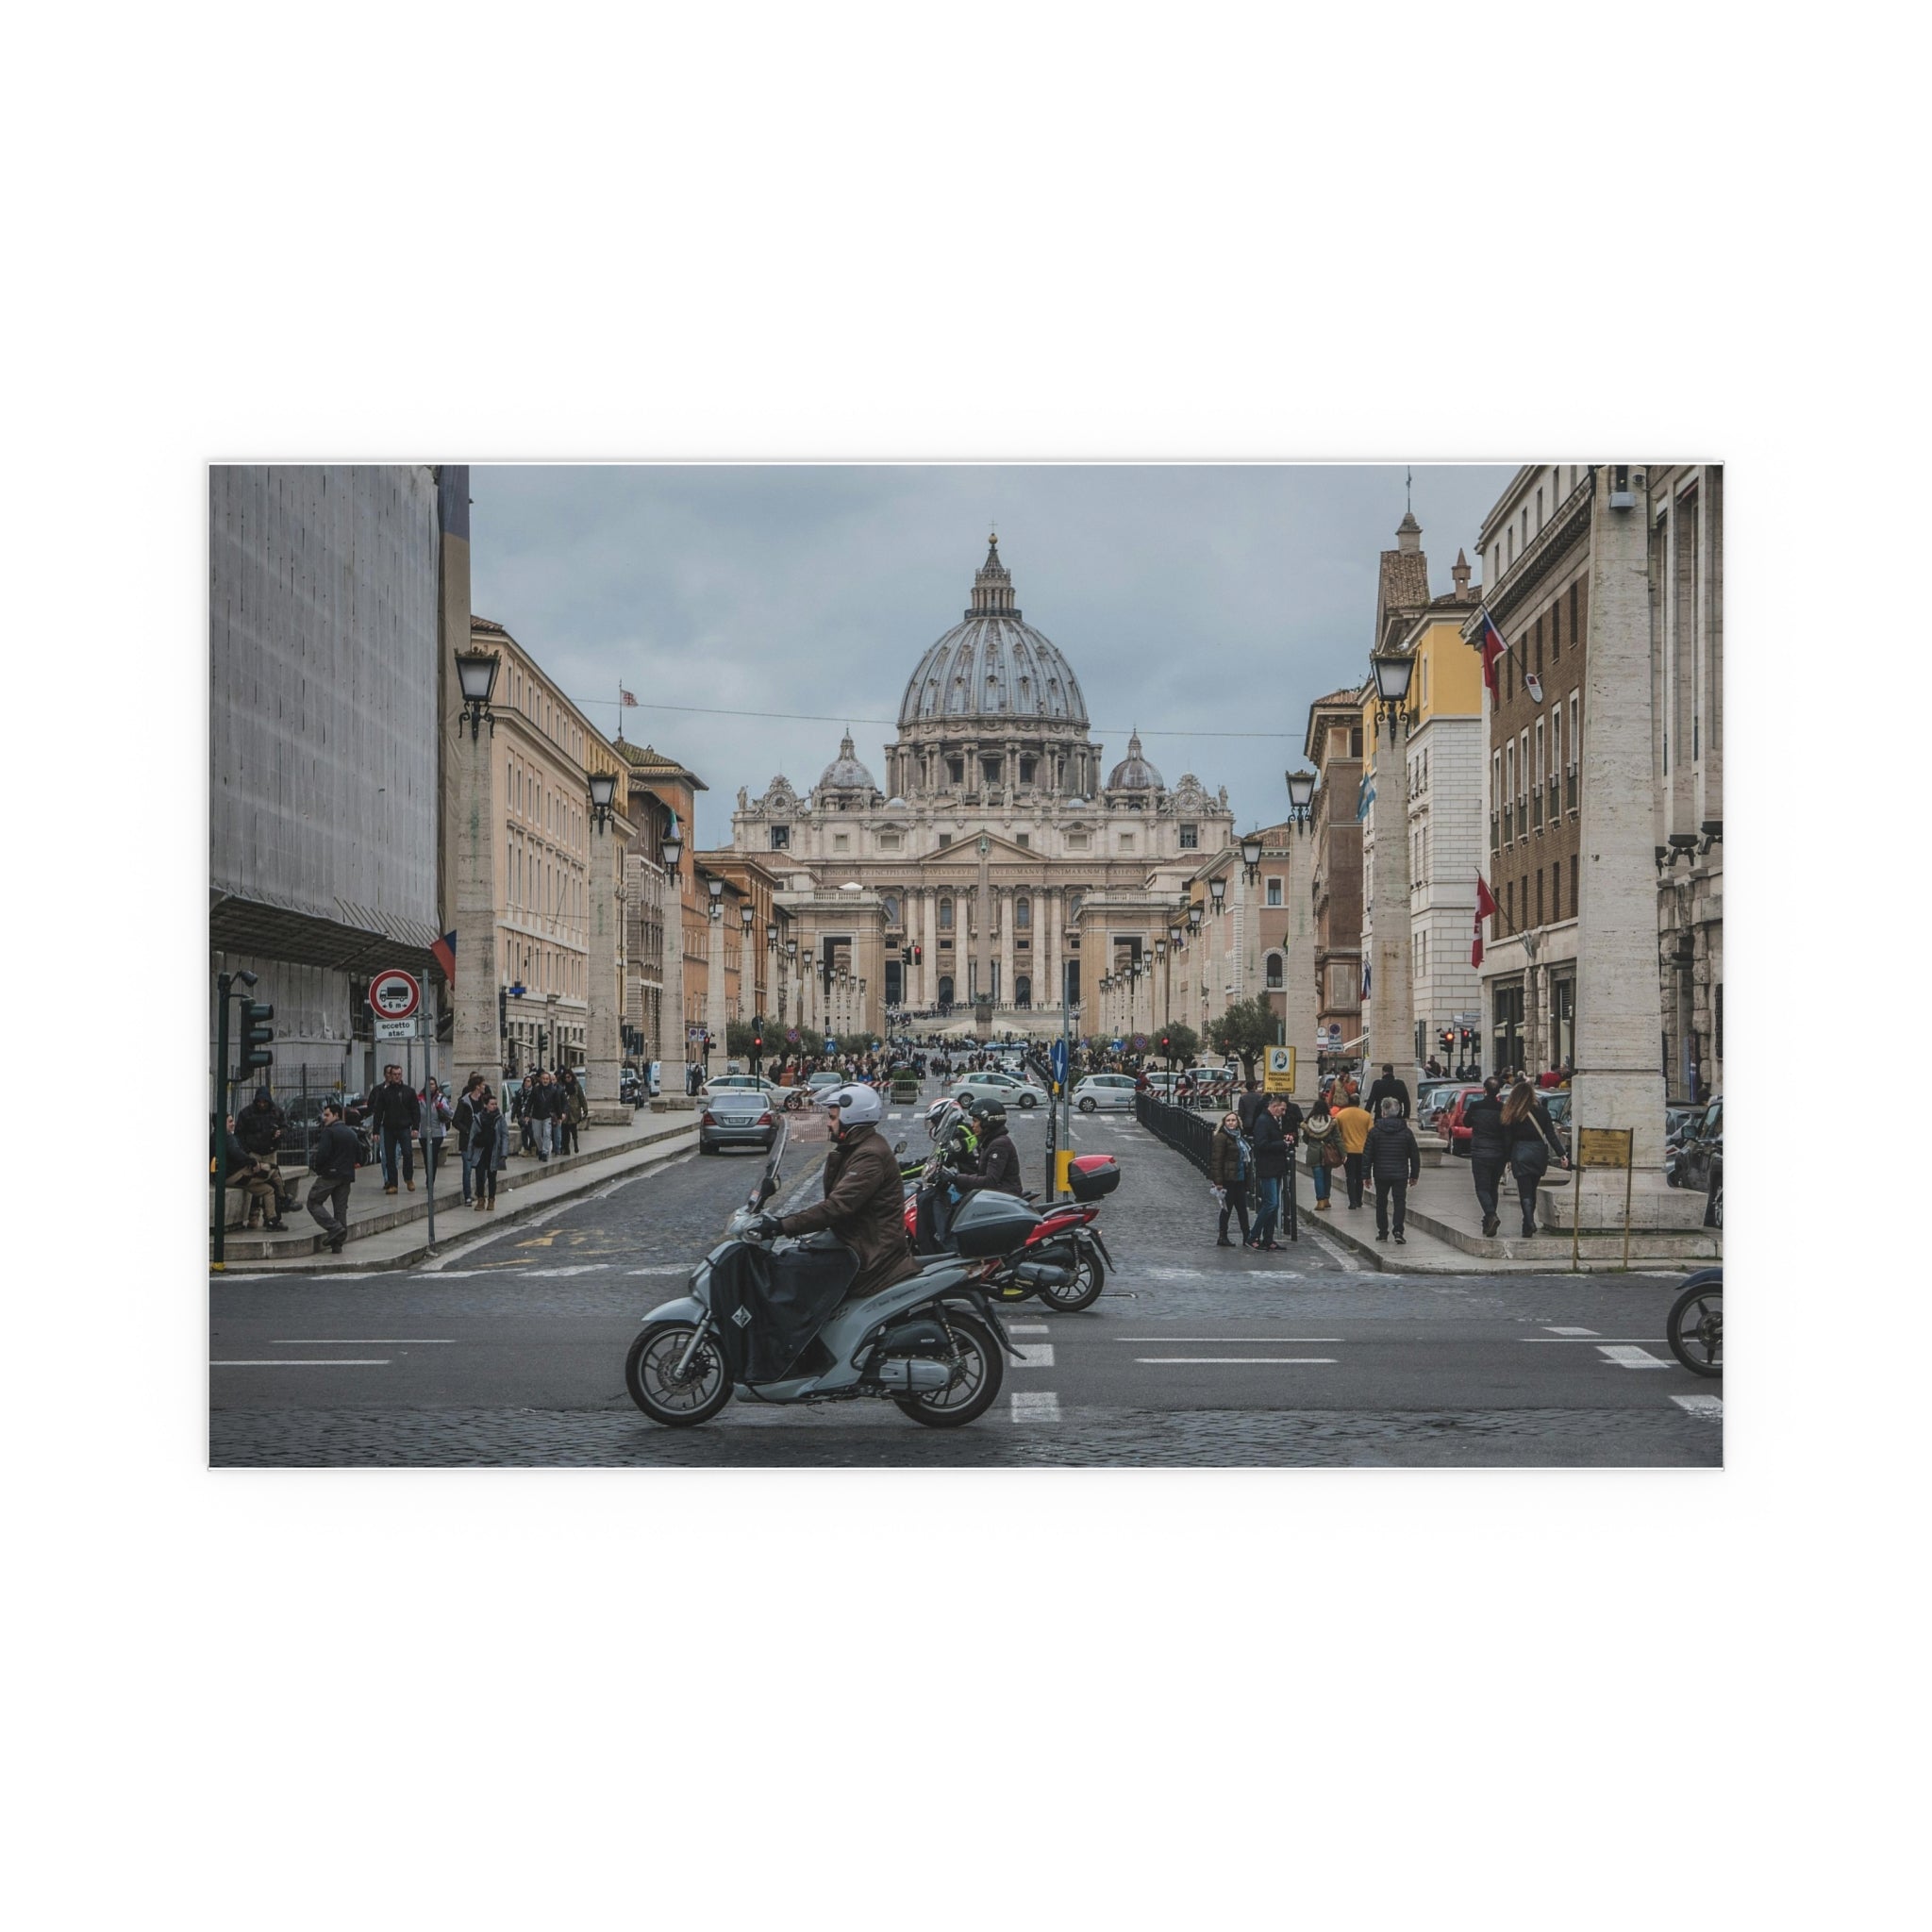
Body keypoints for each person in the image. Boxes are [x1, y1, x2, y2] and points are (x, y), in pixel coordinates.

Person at [756, 1084, 921, 1304]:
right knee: (797, 1260)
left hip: (870, 1255)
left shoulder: (869, 1155)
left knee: (793, 1272)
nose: (828, 1123)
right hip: (857, 1241)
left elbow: (837, 1207)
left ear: (851, 1118)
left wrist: (782, 1225)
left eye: (833, 1118)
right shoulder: (858, 1148)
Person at [1501, 1076, 1568, 1237]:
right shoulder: (1542, 1112)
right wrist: (1562, 1154)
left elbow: (1507, 1139)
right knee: (1532, 1189)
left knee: (1524, 1191)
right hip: (1538, 1152)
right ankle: (1527, 1223)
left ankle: (1529, 1221)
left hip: (1520, 1152)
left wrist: (1507, 1158)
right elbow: (1551, 1136)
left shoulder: (1512, 1113)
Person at [305, 1101, 362, 1252]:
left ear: (336, 1115)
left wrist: (319, 1169)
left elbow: (322, 1154)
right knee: (340, 1209)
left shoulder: (329, 1132)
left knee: (313, 1202)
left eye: (327, 1115)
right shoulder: (351, 1133)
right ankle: (337, 1244)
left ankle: (334, 1228)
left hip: (330, 1175)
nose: (324, 1118)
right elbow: (360, 1156)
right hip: (346, 1176)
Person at [1368, 1096, 1422, 1243]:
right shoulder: (1406, 1132)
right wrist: (1414, 1174)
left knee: (1381, 1202)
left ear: (1383, 1111)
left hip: (1381, 1173)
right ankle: (1398, 1230)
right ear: (1398, 1112)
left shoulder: (1375, 1131)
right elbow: (1414, 1155)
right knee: (1399, 1202)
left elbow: (1368, 1154)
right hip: (1400, 1173)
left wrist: (1365, 1174)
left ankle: (1383, 1232)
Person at [1462, 1075, 1510, 1237]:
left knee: (1482, 1188)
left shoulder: (1475, 1106)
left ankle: (1491, 1215)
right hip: (1499, 1153)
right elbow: (1507, 1132)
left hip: (1481, 1152)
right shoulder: (1503, 1108)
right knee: (1493, 1187)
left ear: (1484, 1090)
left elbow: (1466, 1123)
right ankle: (1489, 1221)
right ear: (1498, 1092)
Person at [218, 1113, 285, 1229]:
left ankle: (272, 1219)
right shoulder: (228, 1138)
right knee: (272, 1170)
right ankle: (284, 1199)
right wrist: (253, 1162)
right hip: (235, 1176)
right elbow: (237, 1153)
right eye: (230, 1121)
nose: (233, 1124)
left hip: (233, 1176)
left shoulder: (219, 1137)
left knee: (268, 1189)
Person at [1247, 1094, 1292, 1251]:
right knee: (1271, 1203)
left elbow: (1271, 1139)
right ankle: (1253, 1236)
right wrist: (1282, 1144)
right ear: (1274, 1106)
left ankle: (1268, 1238)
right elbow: (1261, 1144)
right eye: (1282, 1109)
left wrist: (1283, 1140)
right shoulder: (1263, 1121)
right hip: (1267, 1167)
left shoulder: (1271, 1120)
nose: (1284, 1113)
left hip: (1275, 1167)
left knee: (1274, 1205)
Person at [367, 1062, 421, 1194]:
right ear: (390, 1075)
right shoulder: (384, 1093)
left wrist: (415, 1127)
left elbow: (415, 1110)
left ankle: (408, 1178)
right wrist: (375, 1131)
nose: (397, 1076)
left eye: (399, 1074)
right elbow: (378, 1112)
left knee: (407, 1153)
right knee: (390, 1157)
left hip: (404, 1128)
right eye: (394, 1074)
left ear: (401, 1075)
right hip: (389, 1129)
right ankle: (393, 1183)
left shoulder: (409, 1091)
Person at [947, 1102, 1022, 1196]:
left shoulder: (999, 1144)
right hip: (996, 1193)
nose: (972, 1125)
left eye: (975, 1121)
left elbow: (990, 1181)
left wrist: (956, 1179)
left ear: (987, 1122)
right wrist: (956, 1178)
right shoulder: (989, 1141)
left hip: (1004, 1195)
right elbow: (982, 1175)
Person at [1208, 1109, 1254, 1246]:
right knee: (1226, 1209)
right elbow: (1216, 1160)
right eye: (1228, 1120)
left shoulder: (1239, 1137)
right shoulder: (1221, 1137)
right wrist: (1218, 1181)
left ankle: (1247, 1236)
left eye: (1233, 1120)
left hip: (1239, 1178)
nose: (1231, 1123)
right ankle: (1222, 1236)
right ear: (1224, 1123)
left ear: (1238, 1122)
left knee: (1242, 1209)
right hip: (1228, 1179)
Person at [470, 1086, 508, 1210]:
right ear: (486, 1105)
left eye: (496, 1104)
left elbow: (505, 1136)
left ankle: (491, 1199)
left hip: (494, 1151)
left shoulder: (500, 1118)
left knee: (492, 1177)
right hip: (481, 1150)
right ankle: (481, 1199)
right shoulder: (478, 1118)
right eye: (492, 1104)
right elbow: (472, 1136)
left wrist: (504, 1153)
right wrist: (470, 1154)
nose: (494, 1106)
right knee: (479, 1176)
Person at [1300, 1098, 1341, 1212]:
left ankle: (1320, 1201)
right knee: (1327, 1176)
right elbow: (1337, 1138)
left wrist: (1312, 1143)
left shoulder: (1309, 1122)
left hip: (1314, 1152)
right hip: (1328, 1152)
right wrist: (1342, 1153)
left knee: (1318, 1177)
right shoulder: (1331, 1121)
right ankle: (1327, 1199)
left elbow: (1305, 1138)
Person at [1334, 1092, 1374, 1208]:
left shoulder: (1341, 1115)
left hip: (1347, 1150)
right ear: (1359, 1103)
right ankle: (1359, 1200)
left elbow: (1336, 1133)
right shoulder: (1366, 1116)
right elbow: (1371, 1133)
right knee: (1360, 1176)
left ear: (1348, 1102)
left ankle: (1352, 1202)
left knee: (1350, 1176)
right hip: (1362, 1150)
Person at [451, 1073, 486, 1204]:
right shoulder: (464, 1102)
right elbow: (456, 1121)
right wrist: (466, 1130)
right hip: (467, 1142)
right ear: (477, 1087)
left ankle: (479, 1191)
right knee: (467, 1169)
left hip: (481, 1140)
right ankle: (468, 1196)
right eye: (482, 1085)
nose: (484, 1087)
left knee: (483, 1170)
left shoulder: (483, 1101)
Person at [421, 1076, 451, 1194]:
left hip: (437, 1132)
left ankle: (430, 1180)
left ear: (436, 1085)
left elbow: (450, 1112)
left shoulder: (441, 1098)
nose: (430, 1086)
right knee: (426, 1157)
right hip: (423, 1132)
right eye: (428, 1084)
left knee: (432, 1156)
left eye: (432, 1084)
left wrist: (440, 1106)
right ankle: (428, 1175)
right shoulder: (420, 1098)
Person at [559, 1067, 587, 1154]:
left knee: (573, 1129)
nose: (567, 1079)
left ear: (572, 1077)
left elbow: (581, 1097)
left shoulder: (576, 1085)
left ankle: (575, 1143)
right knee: (565, 1130)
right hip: (564, 1111)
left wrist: (585, 1109)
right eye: (565, 1077)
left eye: (569, 1077)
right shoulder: (561, 1086)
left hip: (574, 1111)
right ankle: (566, 1148)